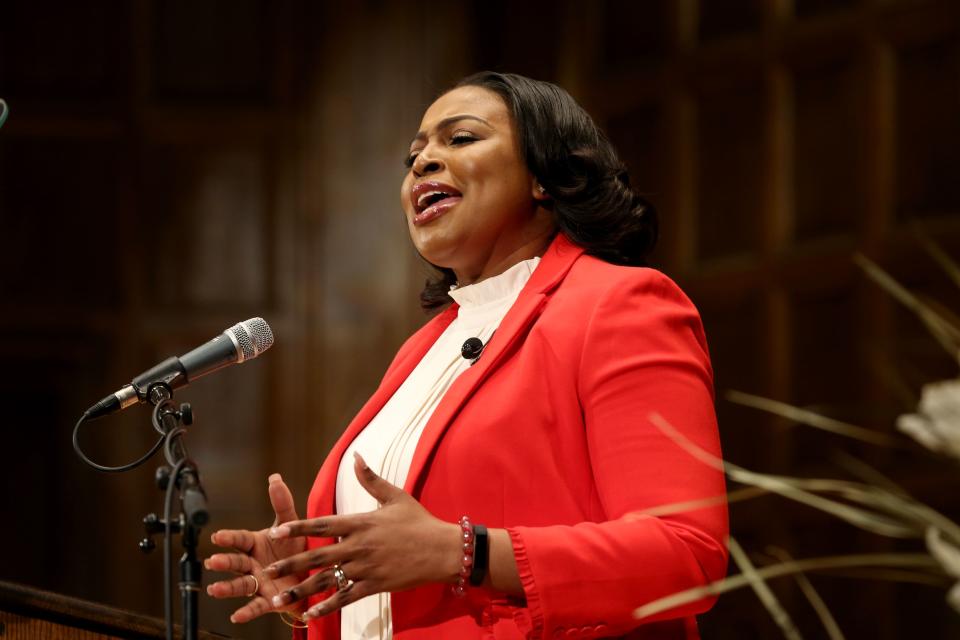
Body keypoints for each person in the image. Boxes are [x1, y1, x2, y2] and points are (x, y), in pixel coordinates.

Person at [205, 71, 728, 639]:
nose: (423, 163)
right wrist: (312, 579)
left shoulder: (619, 304)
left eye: (460, 139)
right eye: (415, 155)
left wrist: (468, 552)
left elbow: (684, 554)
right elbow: (417, 571)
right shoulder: (424, 347)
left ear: (543, 176)